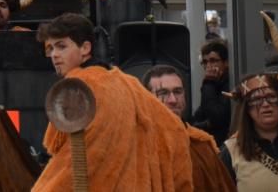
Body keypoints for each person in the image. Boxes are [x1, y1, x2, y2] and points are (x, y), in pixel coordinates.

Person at [32, 13, 191, 191]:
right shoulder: (127, 81)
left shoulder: (76, 85)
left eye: (61, 47)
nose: (54, 55)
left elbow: (54, 144)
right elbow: (174, 127)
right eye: (50, 48)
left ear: (85, 48)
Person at [142, 65, 236, 191]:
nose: (173, 100)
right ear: (147, 98)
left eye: (177, 91)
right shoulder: (137, 146)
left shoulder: (201, 146)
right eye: (163, 93)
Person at [220, 72, 278, 189]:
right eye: (257, 99)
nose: (266, 104)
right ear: (247, 109)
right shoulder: (231, 152)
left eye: (271, 97)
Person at [191, 39, 232, 145]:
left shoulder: (228, 84)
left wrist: (208, 82)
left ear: (226, 62)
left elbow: (217, 118)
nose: (208, 66)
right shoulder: (214, 84)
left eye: (213, 60)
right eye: (205, 62)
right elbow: (199, 115)